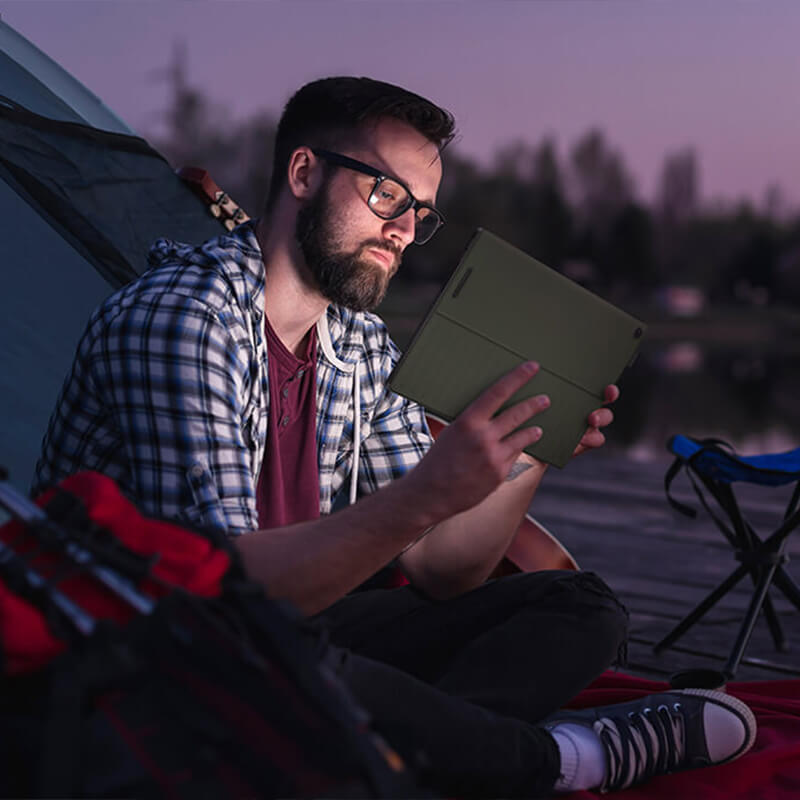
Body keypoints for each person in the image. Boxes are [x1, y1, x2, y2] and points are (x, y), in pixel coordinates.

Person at [33, 77, 756, 796]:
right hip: (157, 645)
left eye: (421, 212)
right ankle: (560, 760)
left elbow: (446, 570)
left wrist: (528, 451)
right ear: (305, 173)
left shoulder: (361, 342)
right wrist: (420, 497)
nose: (405, 230)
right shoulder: (184, 320)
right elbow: (229, 599)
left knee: (580, 608)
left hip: (305, 626)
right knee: (288, 655)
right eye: (387, 196)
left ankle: (389, 756)